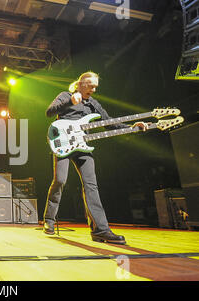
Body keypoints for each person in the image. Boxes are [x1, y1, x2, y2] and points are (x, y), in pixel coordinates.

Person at [43, 71, 147, 244]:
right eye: (90, 86)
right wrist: (70, 102)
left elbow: (109, 122)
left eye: (95, 87)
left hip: (82, 146)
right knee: (60, 180)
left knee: (91, 186)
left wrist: (131, 127)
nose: (93, 89)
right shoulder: (65, 95)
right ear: (80, 84)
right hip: (63, 142)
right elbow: (49, 112)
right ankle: (49, 220)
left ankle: (100, 230)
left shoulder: (93, 104)